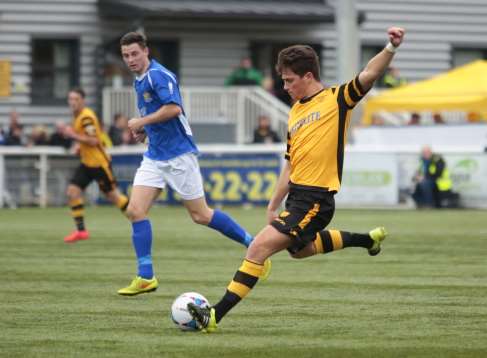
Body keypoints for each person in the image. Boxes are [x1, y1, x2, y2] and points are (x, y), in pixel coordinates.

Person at [187, 26, 405, 333]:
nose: (285, 86)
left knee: (257, 249)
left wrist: (391, 47)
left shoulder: (337, 99)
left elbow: (369, 74)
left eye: (289, 80)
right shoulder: (294, 113)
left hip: (317, 198)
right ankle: (366, 239)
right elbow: (290, 164)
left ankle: (214, 315)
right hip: (297, 197)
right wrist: (274, 203)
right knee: (301, 250)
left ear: (308, 76)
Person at [118, 32, 270, 296]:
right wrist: (146, 131)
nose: (130, 59)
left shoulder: (158, 75)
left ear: (146, 51)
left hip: (178, 155)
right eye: (125, 55)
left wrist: (141, 122)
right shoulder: (139, 80)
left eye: (134, 54)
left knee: (201, 215)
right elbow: (157, 114)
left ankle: (255, 245)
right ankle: (145, 276)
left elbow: (174, 108)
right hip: (155, 155)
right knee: (135, 210)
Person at [62, 87, 129, 243]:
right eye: (70, 99)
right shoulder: (78, 116)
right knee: (72, 192)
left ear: (82, 101)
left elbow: (94, 141)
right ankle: (81, 231)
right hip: (87, 164)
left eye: (76, 99)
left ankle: (138, 219)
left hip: (99, 164)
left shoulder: (86, 117)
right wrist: (79, 146)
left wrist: (73, 135)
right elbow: (88, 139)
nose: (72, 102)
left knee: (113, 196)